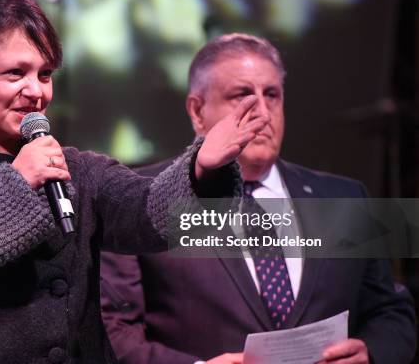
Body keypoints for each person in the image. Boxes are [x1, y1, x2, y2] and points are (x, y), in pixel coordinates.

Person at [0, 0, 268, 363]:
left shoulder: (75, 168)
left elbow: (149, 216)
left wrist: (202, 169)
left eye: (45, 74)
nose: (36, 90)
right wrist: (16, 188)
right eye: (15, 73)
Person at [100, 33, 417, 364]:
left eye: (272, 95)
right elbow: (112, 330)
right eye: (242, 96)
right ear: (197, 111)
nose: (263, 113)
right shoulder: (142, 197)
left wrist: (371, 352)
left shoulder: (344, 198)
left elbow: (391, 310)